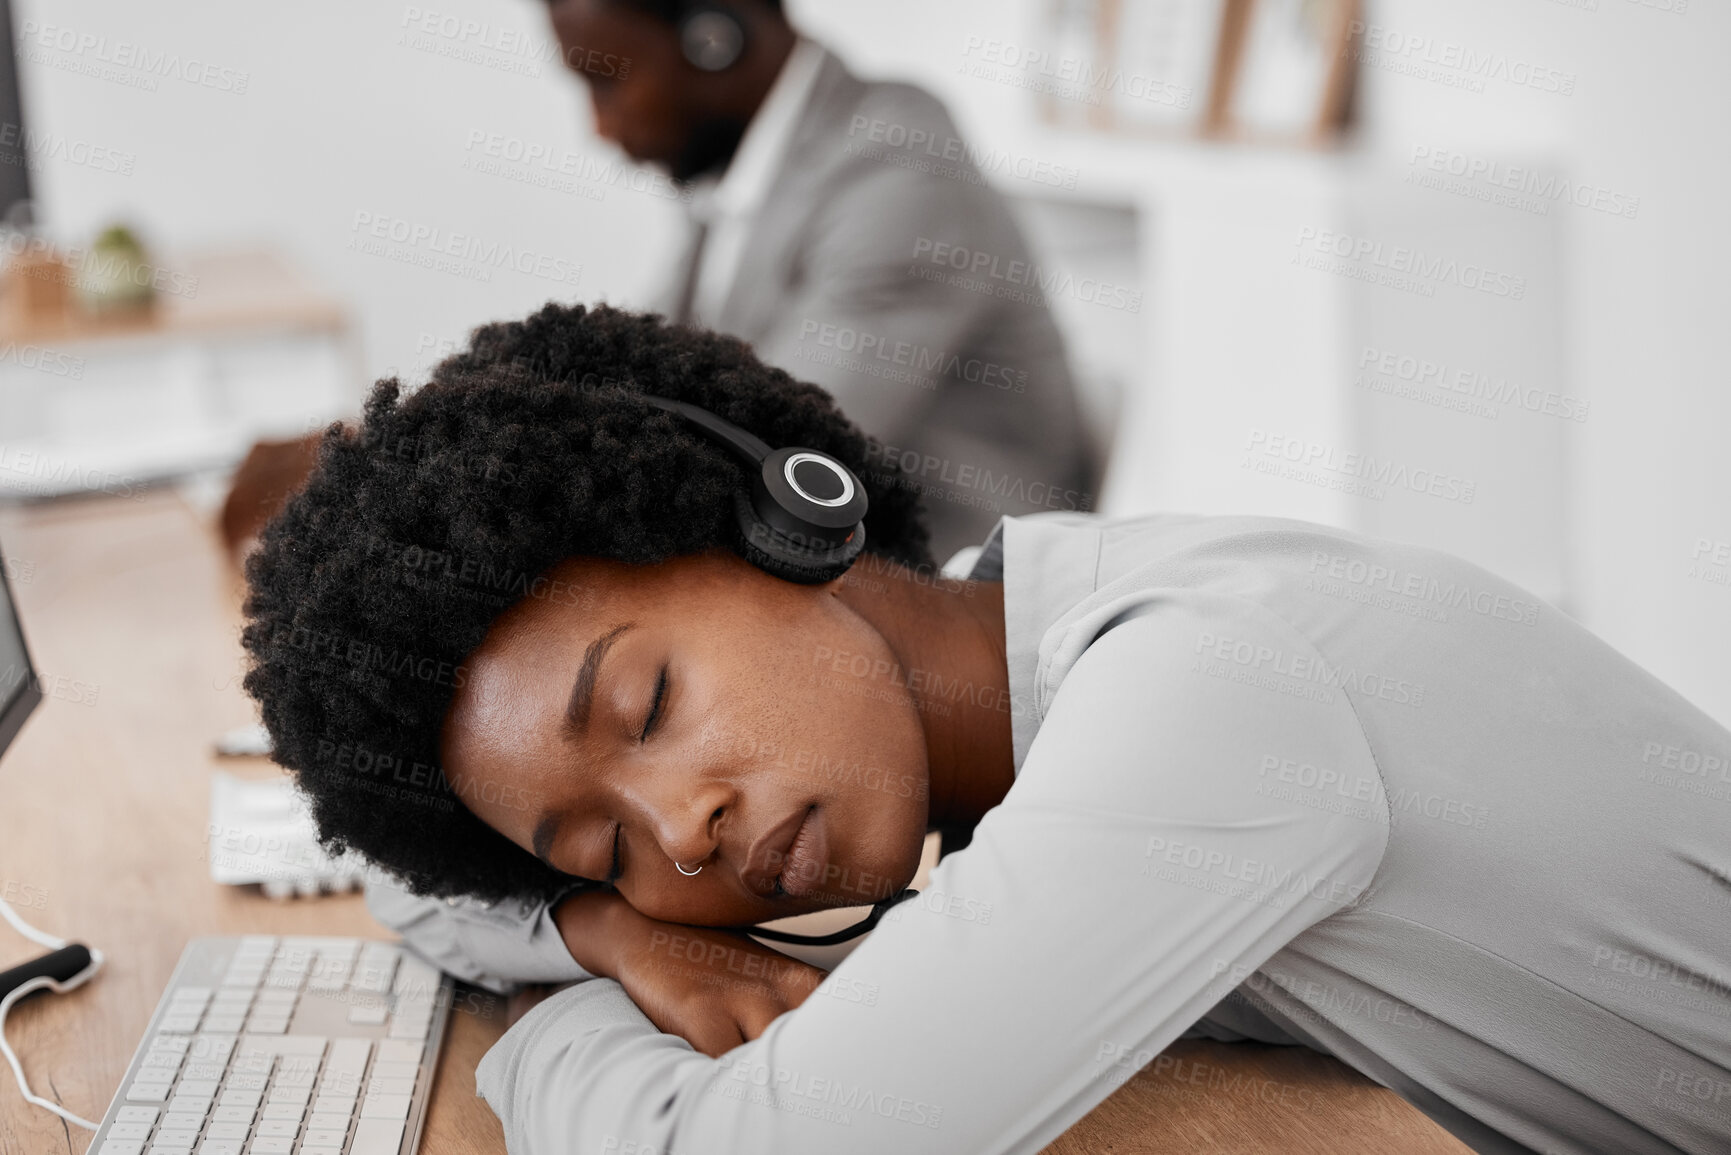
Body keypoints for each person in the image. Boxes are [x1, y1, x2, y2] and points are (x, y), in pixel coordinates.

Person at [243, 303, 1731, 1155]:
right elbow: (410, 880)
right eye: (596, 841)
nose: (677, 827)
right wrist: (612, 933)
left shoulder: (1190, 698)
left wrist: (546, 1029)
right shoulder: (1014, 648)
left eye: (646, 704)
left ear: (787, 517)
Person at [545, 0, 1095, 558]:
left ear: (714, 40)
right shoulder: (741, 164)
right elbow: (637, 368)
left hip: (950, 590)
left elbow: (778, 457)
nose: (600, 126)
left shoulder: (897, 169)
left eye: (604, 82)